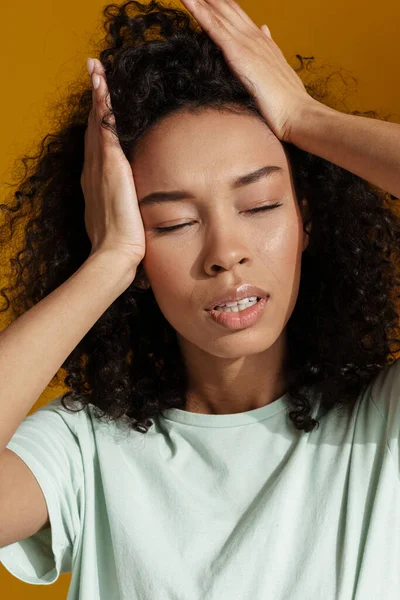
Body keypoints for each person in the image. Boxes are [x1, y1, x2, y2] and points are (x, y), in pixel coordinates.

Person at [1, 0, 400, 597]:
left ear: (306, 218)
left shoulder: (384, 424)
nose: (226, 252)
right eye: (172, 223)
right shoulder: (81, 447)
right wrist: (106, 263)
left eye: (261, 205)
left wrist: (302, 118)